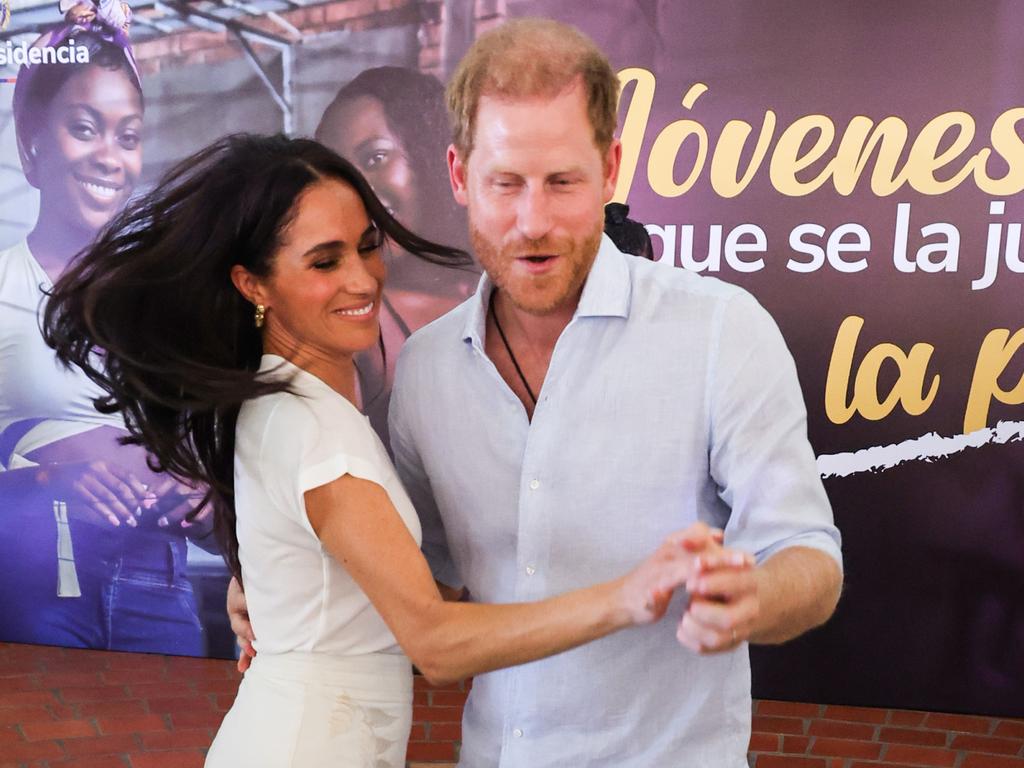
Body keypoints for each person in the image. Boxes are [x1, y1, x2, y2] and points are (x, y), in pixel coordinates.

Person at [43, 133, 750, 767]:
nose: (362, 279)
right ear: (252, 283)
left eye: (367, 246)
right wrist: (628, 596)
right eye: (325, 261)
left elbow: (391, 587)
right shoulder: (314, 430)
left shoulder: (287, 398)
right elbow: (436, 642)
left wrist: (272, 591)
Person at [384, 19, 842, 766]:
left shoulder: (722, 330)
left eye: (563, 182)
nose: (533, 223)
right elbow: (418, 588)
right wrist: (281, 605)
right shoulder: (427, 369)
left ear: (611, 168)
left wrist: (755, 595)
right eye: (506, 183)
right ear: (460, 176)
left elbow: (808, 557)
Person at [0, 17, 208, 654]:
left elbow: (214, 461)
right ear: (32, 145)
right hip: (37, 587)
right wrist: (41, 480)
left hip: (165, 587)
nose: (108, 156)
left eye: (128, 136)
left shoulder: (172, 300)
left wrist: (206, 501)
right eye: (83, 128)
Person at [315, 67, 480, 441]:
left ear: (430, 152)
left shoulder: (505, 285)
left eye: (375, 159)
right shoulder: (361, 326)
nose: (358, 191)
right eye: (339, 176)